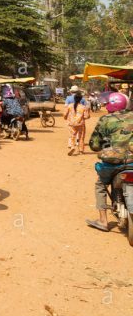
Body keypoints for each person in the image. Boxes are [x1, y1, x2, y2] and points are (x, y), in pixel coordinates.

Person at [87, 92, 130, 231]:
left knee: (100, 185)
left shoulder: (105, 119)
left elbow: (94, 144)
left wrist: (102, 146)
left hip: (112, 163)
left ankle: (103, 221)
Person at [63, 90, 89, 155]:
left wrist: (66, 118)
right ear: (81, 99)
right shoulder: (83, 107)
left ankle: (72, 147)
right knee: (81, 137)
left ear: (74, 99)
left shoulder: (69, 106)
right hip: (81, 124)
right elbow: (86, 116)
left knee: (72, 136)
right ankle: (81, 150)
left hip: (71, 124)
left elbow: (65, 114)